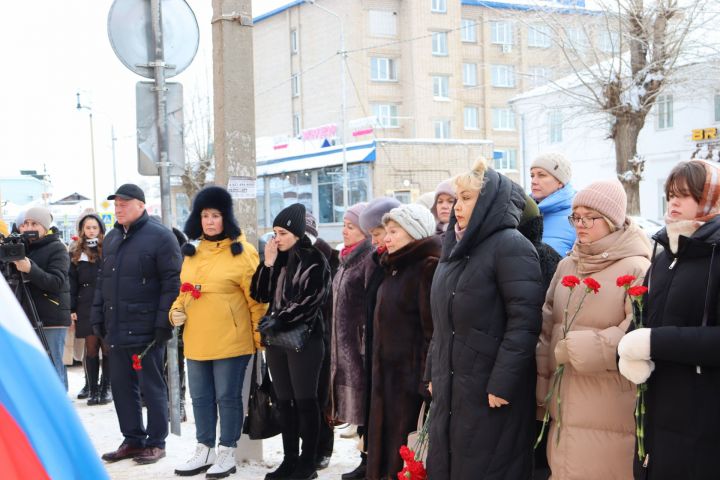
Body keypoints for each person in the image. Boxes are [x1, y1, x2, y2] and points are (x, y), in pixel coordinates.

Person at [427, 161, 544, 479]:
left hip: (491, 389)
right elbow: (441, 323)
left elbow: (525, 321)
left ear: (489, 201)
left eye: (467, 198)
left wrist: (503, 383)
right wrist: (432, 372)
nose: (457, 206)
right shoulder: (453, 249)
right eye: (456, 198)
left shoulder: (511, 246)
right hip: (454, 383)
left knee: (487, 467)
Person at [537, 179, 651, 479]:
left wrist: (587, 348)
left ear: (612, 221)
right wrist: (541, 392)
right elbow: (547, 328)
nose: (580, 224)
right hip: (564, 400)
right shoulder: (567, 266)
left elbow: (639, 329)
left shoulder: (636, 267)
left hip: (610, 402)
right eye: (576, 216)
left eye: (590, 217)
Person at [618, 160, 720, 479]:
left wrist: (654, 342)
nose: (673, 202)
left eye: (685, 195)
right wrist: (625, 352)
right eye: (670, 194)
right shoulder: (665, 256)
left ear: (711, 199)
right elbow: (643, 320)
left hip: (703, 423)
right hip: (655, 417)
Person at [168, 186, 266, 478]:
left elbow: (257, 300)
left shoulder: (243, 252)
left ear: (227, 218)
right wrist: (174, 312)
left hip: (232, 342)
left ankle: (227, 452)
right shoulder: (192, 252)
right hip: (197, 339)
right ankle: (205, 449)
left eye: (216, 215)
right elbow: (184, 292)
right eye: (205, 215)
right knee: (199, 398)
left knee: (227, 397)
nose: (210, 221)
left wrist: (259, 338)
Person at [92, 184, 182, 465]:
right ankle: (132, 439)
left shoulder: (161, 237)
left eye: (124, 203)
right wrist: (97, 316)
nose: (118, 208)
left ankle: (156, 442)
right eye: (116, 204)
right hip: (116, 327)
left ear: (141, 205)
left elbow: (172, 283)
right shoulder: (112, 239)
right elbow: (102, 281)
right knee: (121, 386)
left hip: (147, 330)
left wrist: (163, 322)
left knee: (151, 387)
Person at [250, 203, 331, 480]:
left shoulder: (314, 259)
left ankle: (308, 463)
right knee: (284, 402)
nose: (277, 238)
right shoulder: (278, 259)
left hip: (305, 341)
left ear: (297, 233)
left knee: (305, 401)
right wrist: (268, 263)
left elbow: (310, 299)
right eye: (274, 232)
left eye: (283, 232)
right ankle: (289, 460)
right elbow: (259, 294)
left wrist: (280, 318)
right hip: (276, 342)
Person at [366, 203, 440, 480]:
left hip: (410, 385)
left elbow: (432, 332)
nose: (386, 238)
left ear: (414, 233)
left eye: (394, 231)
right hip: (385, 381)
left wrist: (425, 381)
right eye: (386, 231)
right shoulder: (392, 270)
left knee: (406, 456)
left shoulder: (427, 269)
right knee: (384, 451)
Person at [340, 196, 401, 480]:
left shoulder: (378, 261)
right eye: (377, 234)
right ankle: (368, 461)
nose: (380, 239)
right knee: (370, 408)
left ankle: (375, 462)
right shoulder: (377, 259)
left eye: (381, 233)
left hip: (383, 347)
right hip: (369, 343)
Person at [12, 207, 72, 390]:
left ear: (45, 227)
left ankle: (59, 413)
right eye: (25, 224)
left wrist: (30, 269)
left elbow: (56, 282)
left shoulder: (57, 248)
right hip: (25, 317)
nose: (28, 227)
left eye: (34, 224)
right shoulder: (17, 248)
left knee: (52, 369)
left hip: (50, 318)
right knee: (33, 372)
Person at [330, 203, 373, 437]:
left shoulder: (367, 260)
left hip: (358, 347)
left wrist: (362, 339)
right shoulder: (345, 259)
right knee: (355, 405)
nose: (344, 231)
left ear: (365, 231)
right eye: (344, 226)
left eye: (351, 227)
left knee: (364, 403)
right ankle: (362, 457)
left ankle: (366, 459)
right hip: (343, 347)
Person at [303, 212, 339, 471]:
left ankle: (323, 448)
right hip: (295, 339)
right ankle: (306, 448)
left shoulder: (331, 259)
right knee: (301, 399)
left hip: (324, 337)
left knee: (321, 397)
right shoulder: (289, 257)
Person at [69, 211, 111, 405]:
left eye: (95, 227)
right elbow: (72, 282)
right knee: (91, 346)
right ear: (82, 230)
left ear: (101, 229)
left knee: (106, 346)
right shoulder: (76, 251)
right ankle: (92, 388)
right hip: (85, 301)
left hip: (105, 301)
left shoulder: (109, 248)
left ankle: (106, 388)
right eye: (88, 227)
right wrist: (71, 308)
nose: (92, 231)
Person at [529, 152, 576, 255]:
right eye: (532, 176)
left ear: (560, 182)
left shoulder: (579, 216)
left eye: (541, 175)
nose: (534, 181)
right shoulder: (523, 212)